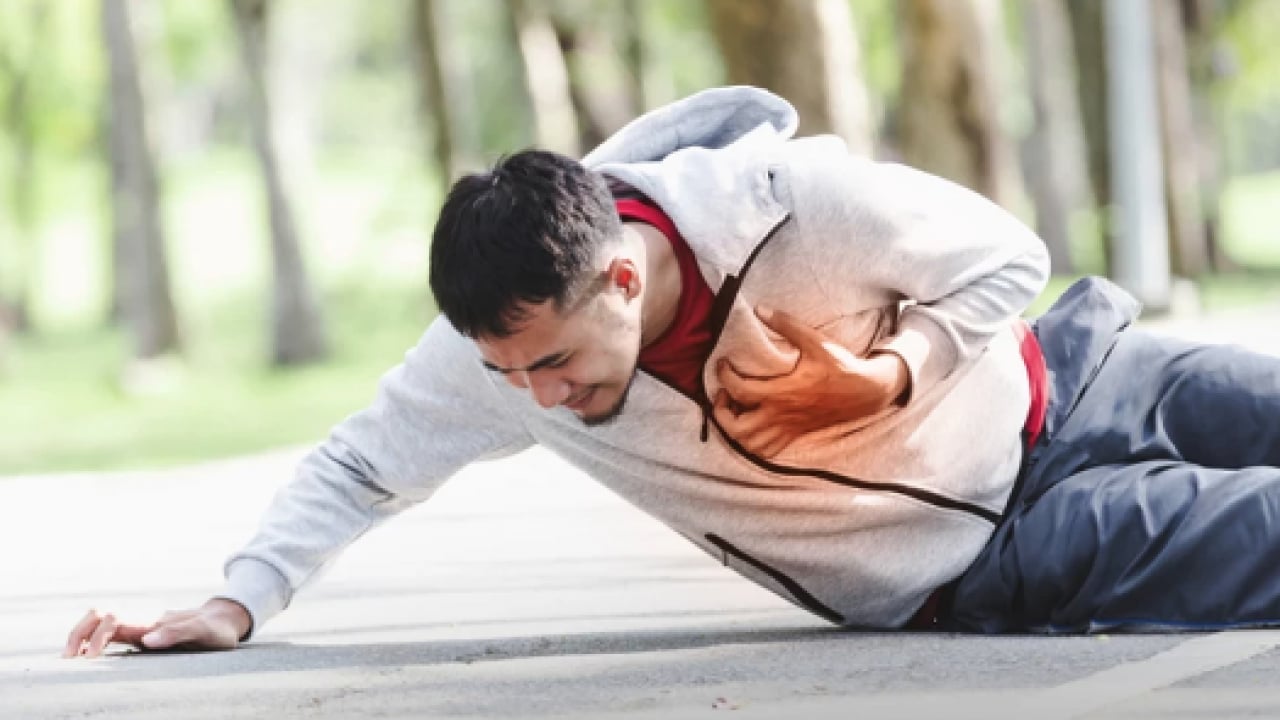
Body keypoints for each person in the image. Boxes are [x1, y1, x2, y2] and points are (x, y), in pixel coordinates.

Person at [65, 86, 1280, 658]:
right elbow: (358, 464)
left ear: (624, 283)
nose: (531, 396)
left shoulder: (791, 206)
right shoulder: (495, 359)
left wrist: (892, 377)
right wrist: (237, 599)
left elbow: (1006, 255)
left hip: (1074, 375)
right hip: (984, 552)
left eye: (548, 361)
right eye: (505, 373)